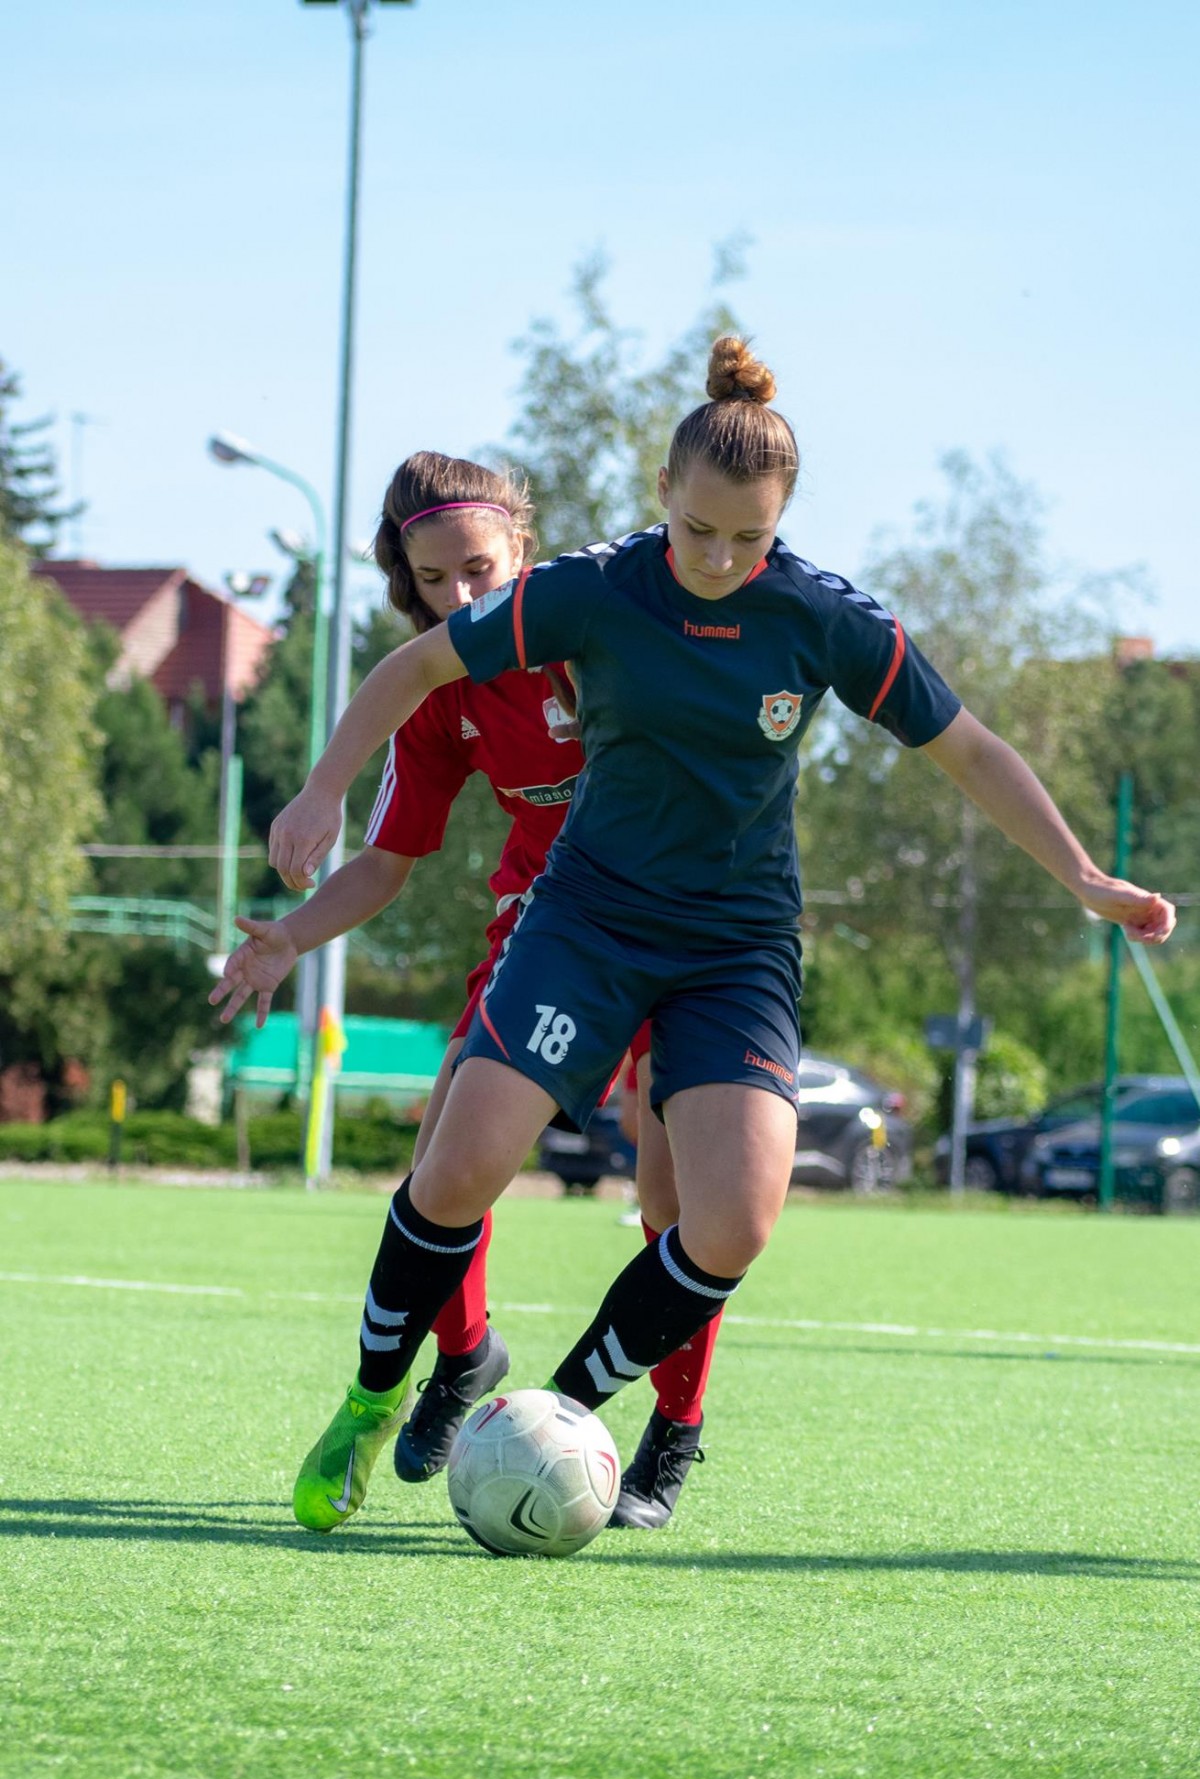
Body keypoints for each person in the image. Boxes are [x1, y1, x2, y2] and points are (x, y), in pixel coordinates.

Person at [269, 337, 1175, 1536]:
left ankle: (567, 1410)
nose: (719, 558)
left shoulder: (818, 615)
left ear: (782, 522)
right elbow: (418, 663)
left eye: (749, 538)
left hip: (736, 948)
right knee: (458, 1169)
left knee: (734, 1219)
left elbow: (967, 747)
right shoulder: (593, 588)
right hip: (588, 923)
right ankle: (370, 1398)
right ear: (664, 495)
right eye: (698, 530)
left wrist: (1083, 876)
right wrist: (323, 789)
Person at [211, 451, 720, 1526]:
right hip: (550, 926)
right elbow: (386, 861)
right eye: (433, 581)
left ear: (523, 548)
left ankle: (673, 1431)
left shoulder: (604, 622)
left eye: (479, 570)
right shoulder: (440, 688)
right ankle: (463, 1357)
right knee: (448, 1152)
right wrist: (289, 937)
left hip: (683, 919)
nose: (459, 598)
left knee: (676, 1194)